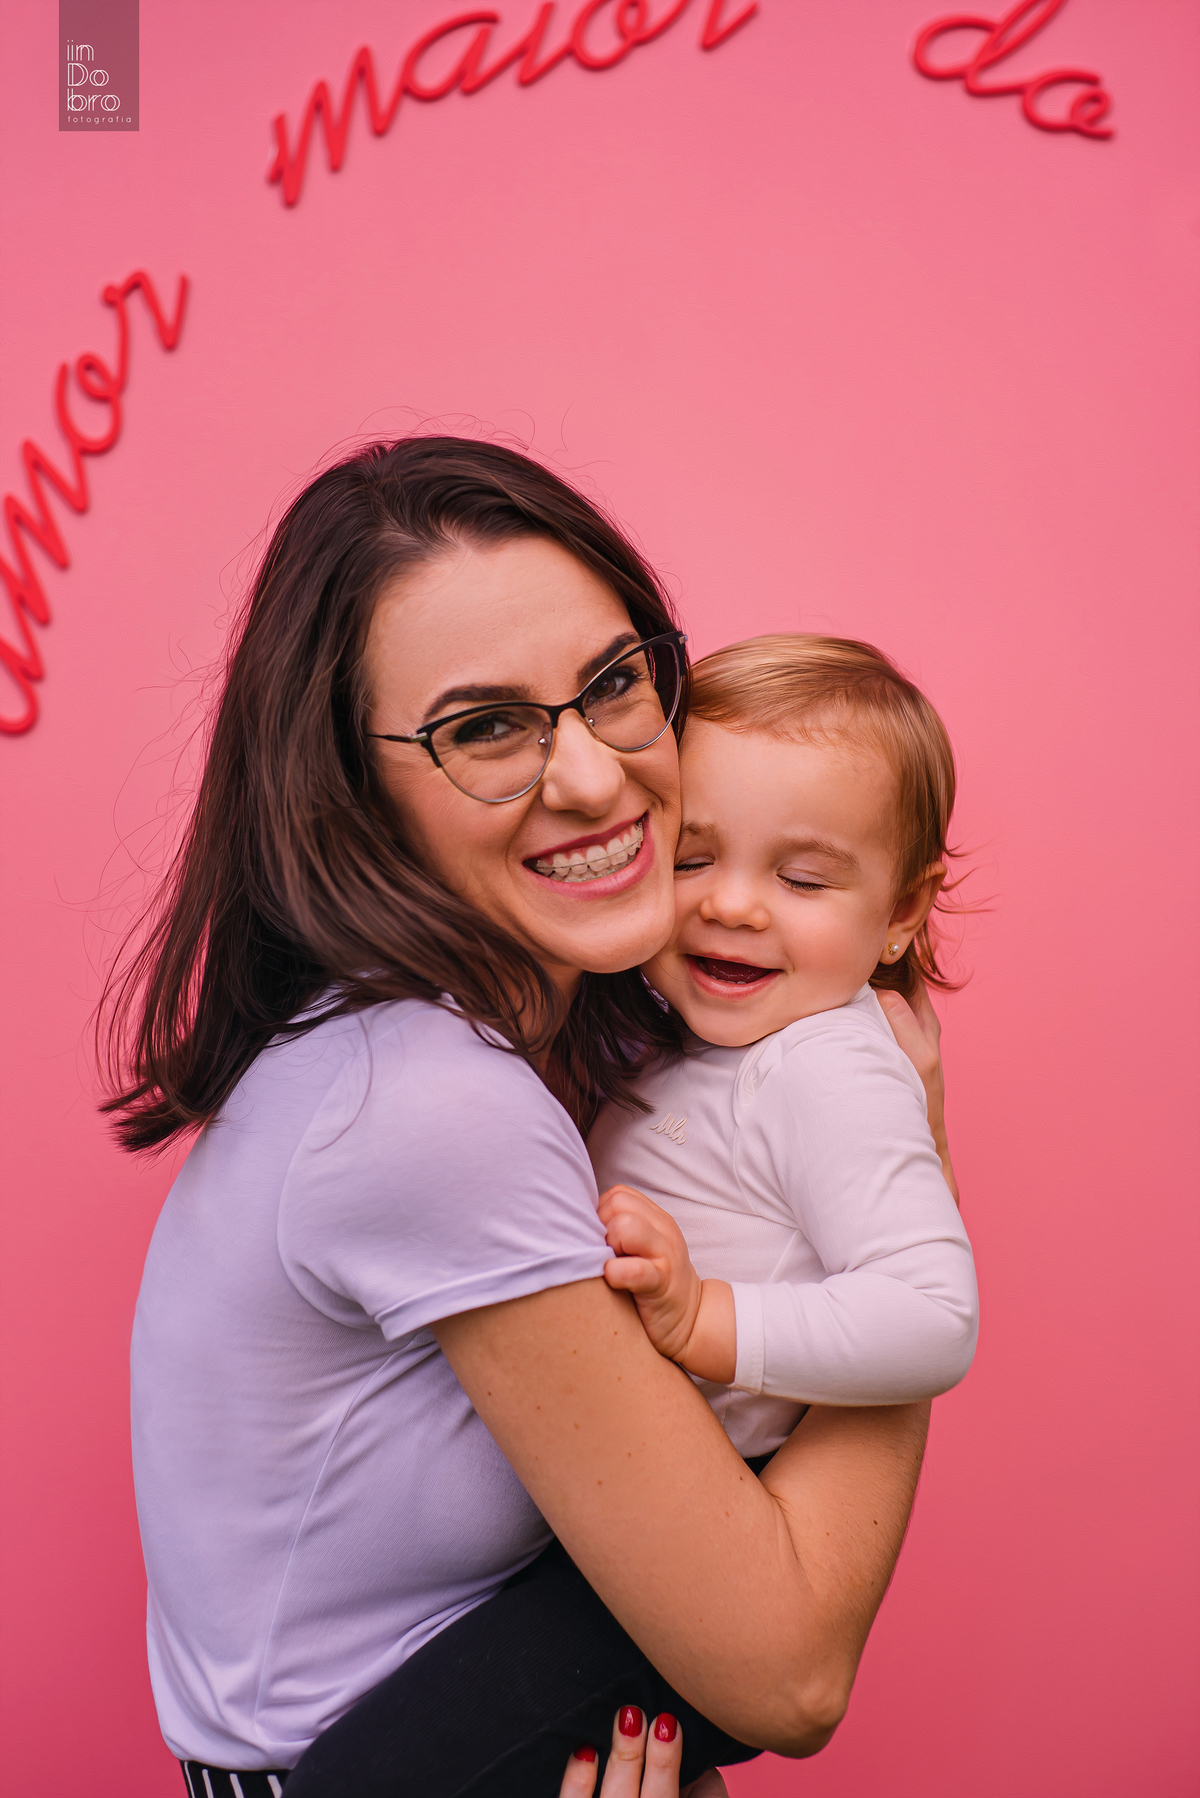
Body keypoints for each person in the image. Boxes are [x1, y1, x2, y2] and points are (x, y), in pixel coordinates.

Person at [107, 438, 945, 1798]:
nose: (598, 779)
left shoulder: (468, 1041)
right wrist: (906, 1182)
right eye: (484, 726)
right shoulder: (429, 1104)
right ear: (349, 785)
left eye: (613, 685)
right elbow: (788, 1666)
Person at [591, 633, 978, 1442]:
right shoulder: (679, 1026)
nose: (731, 907)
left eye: (801, 879)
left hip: (706, 1500)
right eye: (690, 859)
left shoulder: (825, 1065)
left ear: (902, 913)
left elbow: (933, 1316)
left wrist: (705, 1316)